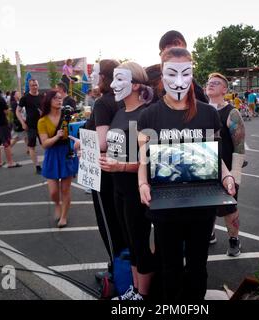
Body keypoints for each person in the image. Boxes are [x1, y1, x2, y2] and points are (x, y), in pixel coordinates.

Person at [137, 47, 235, 301]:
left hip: (202, 204)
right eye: (172, 73)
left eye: (186, 73)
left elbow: (216, 156)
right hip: (165, 204)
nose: (179, 82)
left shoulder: (208, 113)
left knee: (197, 266)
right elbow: (142, 157)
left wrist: (226, 176)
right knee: (169, 267)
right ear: (162, 74)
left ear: (192, 74)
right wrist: (142, 183)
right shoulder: (149, 114)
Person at [99, 62, 155, 300]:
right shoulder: (121, 111)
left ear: (135, 85)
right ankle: (134, 289)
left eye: (119, 80)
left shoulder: (147, 114)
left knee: (140, 244)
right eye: (112, 79)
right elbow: (115, 148)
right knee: (130, 244)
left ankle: (143, 295)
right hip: (118, 188)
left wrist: (120, 165)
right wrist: (93, 153)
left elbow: (150, 161)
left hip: (136, 191)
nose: (112, 85)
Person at [83, 59, 127, 282]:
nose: (92, 76)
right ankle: (127, 272)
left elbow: (102, 143)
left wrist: (82, 144)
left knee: (109, 225)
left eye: (96, 73)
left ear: (104, 77)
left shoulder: (102, 103)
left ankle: (118, 273)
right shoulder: (124, 100)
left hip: (103, 172)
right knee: (124, 225)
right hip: (123, 171)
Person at [206, 72, 245, 257]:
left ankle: (234, 240)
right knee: (206, 205)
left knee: (229, 207)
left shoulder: (232, 113)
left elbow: (239, 146)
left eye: (216, 83)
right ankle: (210, 234)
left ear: (224, 89)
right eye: (209, 82)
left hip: (227, 171)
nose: (211, 85)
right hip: (205, 169)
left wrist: (235, 175)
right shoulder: (202, 110)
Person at [38, 91, 79, 228]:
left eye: (60, 98)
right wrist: (56, 136)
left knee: (66, 190)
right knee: (54, 192)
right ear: (49, 100)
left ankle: (64, 216)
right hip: (52, 154)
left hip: (67, 152)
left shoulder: (68, 116)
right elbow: (44, 144)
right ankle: (57, 204)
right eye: (55, 98)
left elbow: (76, 132)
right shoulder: (42, 121)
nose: (59, 100)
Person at [158, 30, 208, 103]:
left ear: (178, 44)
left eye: (166, 48)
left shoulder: (196, 91)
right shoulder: (153, 76)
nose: (162, 54)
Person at [17, 79, 43, 174]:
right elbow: (17, 111)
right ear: (29, 86)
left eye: (36, 85)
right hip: (31, 126)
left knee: (45, 145)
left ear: (38, 85)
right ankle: (37, 166)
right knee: (32, 147)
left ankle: (48, 164)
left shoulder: (42, 96)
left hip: (42, 125)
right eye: (32, 85)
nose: (34, 87)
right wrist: (23, 123)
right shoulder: (25, 97)